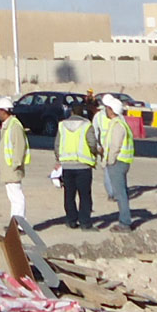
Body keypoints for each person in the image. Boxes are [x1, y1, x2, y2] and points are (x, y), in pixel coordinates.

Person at [54, 100, 101, 228]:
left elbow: (57, 145)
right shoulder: (87, 125)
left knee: (69, 195)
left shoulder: (62, 126)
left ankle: (71, 220)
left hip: (67, 166)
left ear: (72, 112)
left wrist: (59, 159)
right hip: (83, 166)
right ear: (83, 113)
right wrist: (94, 155)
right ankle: (85, 222)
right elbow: (92, 143)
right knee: (85, 195)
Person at [97, 93, 137, 230]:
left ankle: (125, 223)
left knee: (120, 194)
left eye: (107, 108)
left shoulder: (118, 125)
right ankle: (125, 221)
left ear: (112, 110)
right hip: (122, 162)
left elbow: (115, 146)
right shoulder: (120, 123)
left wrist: (110, 161)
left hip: (118, 163)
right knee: (122, 193)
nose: (106, 111)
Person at [0, 97, 30, 225]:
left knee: (17, 197)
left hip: (12, 169)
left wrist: (16, 164)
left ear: (4, 111)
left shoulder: (14, 126)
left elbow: (20, 146)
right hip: (8, 169)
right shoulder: (7, 125)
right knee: (13, 197)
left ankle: (20, 224)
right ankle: (15, 223)